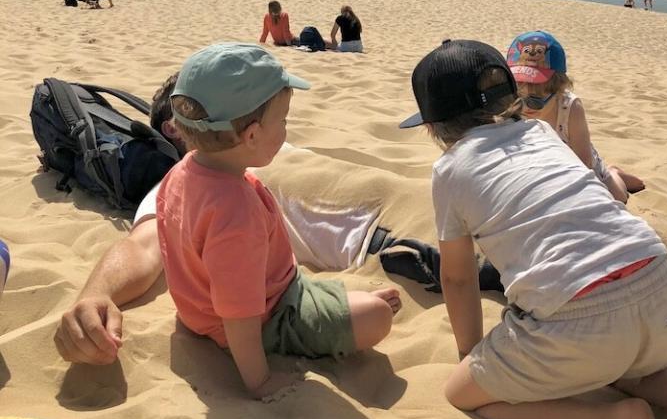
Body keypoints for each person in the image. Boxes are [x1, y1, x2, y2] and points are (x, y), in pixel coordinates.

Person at [400, 39, 667, 419]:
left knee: (462, 394)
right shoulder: (541, 133)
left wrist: (471, 358)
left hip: (580, 319)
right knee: (634, 361)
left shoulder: (450, 170)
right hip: (662, 288)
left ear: (433, 126)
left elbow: (457, 276)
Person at [52, 70, 462, 367]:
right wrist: (95, 293)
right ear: (177, 130)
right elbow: (141, 248)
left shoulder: (255, 150)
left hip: (406, 199)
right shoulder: (183, 189)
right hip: (398, 236)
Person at [156, 43, 400, 399]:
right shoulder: (233, 212)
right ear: (251, 135)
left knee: (355, 301)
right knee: (377, 317)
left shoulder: (183, 172)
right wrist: (260, 381)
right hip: (265, 317)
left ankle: (334, 303)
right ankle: (333, 314)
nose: (286, 128)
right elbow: (239, 313)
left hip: (228, 301)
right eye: (282, 121)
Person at [506, 30, 642, 203]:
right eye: (520, 93)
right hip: (537, 165)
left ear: (559, 87)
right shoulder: (508, 104)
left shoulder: (570, 108)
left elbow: (583, 164)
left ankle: (614, 173)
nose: (526, 105)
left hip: (576, 163)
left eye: (538, 97)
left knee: (619, 198)